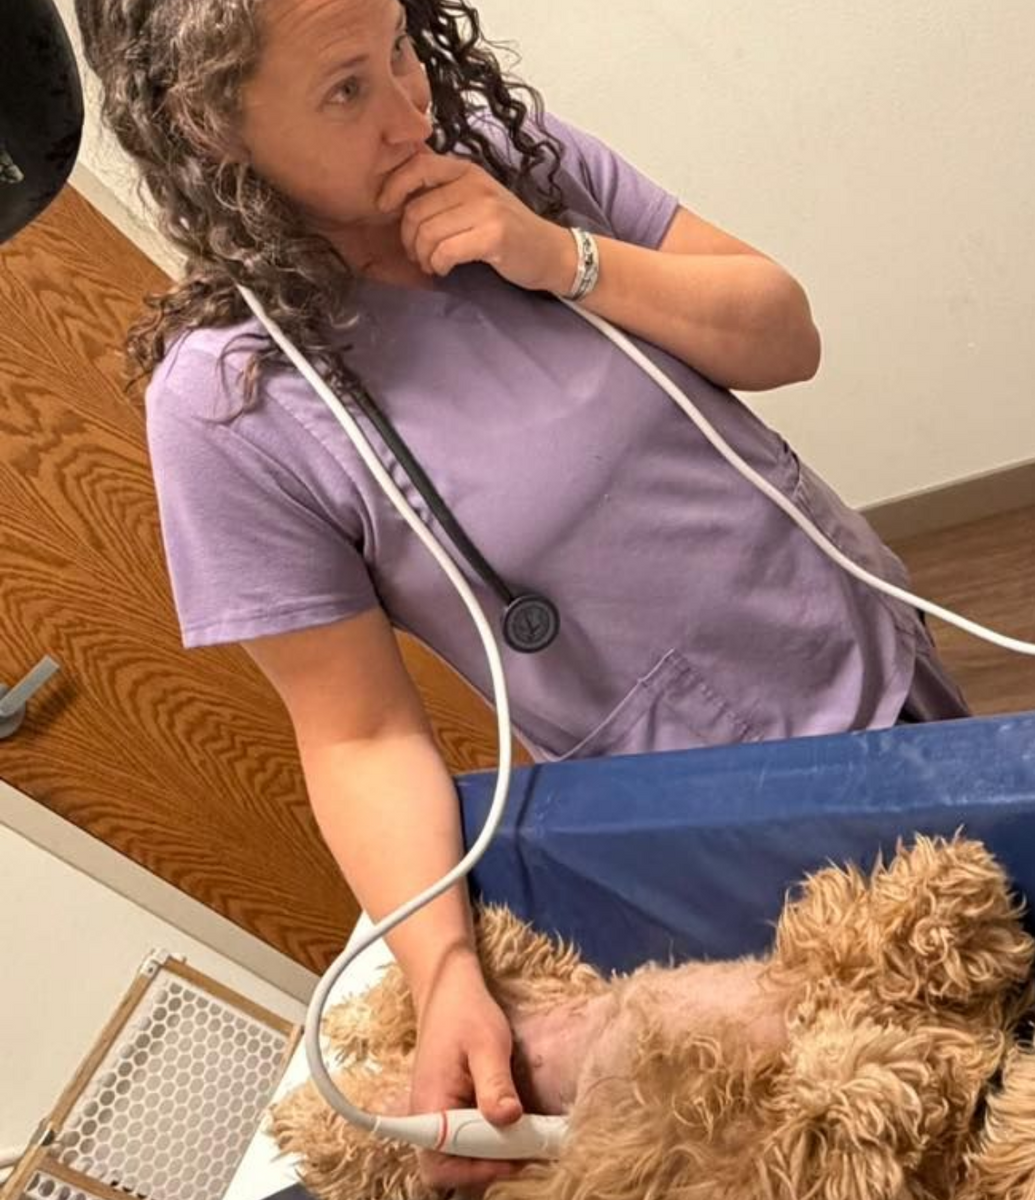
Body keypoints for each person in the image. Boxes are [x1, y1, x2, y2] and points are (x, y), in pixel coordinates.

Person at [73, 0, 968, 1187]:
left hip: (886, 667)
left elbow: (782, 335)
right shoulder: (232, 404)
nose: (409, 110)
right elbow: (357, 733)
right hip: (718, 819)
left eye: (400, 46)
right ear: (212, 127)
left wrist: (561, 257)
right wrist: (444, 972)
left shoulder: (514, 162)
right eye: (346, 89)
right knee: (905, 1108)